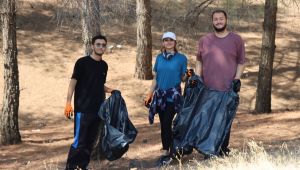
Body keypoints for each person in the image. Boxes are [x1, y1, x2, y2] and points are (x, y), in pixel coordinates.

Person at [196, 9, 245, 156]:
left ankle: (222, 150)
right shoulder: (204, 40)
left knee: (224, 121)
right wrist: (198, 78)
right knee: (207, 121)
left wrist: (237, 79)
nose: (218, 21)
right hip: (207, 89)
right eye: (215, 19)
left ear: (226, 20)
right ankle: (207, 150)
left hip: (227, 88)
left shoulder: (236, 39)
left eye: (221, 18)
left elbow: (241, 62)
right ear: (212, 22)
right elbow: (199, 60)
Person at [64, 35, 117, 170]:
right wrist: (68, 103)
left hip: (98, 110)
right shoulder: (82, 62)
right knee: (79, 141)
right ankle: (71, 167)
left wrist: (112, 90)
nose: (101, 47)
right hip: (83, 109)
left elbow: (100, 85)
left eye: (103, 45)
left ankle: (82, 166)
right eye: (98, 44)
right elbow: (72, 83)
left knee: (90, 142)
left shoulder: (104, 65)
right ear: (92, 46)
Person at [144, 32, 188, 158]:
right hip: (160, 96)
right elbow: (156, 78)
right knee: (164, 123)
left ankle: (166, 149)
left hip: (173, 96)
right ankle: (168, 146)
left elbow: (184, 78)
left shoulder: (182, 58)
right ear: (163, 42)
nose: (168, 42)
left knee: (167, 121)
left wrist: (188, 75)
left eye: (171, 40)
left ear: (175, 42)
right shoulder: (159, 58)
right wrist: (149, 95)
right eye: (166, 40)